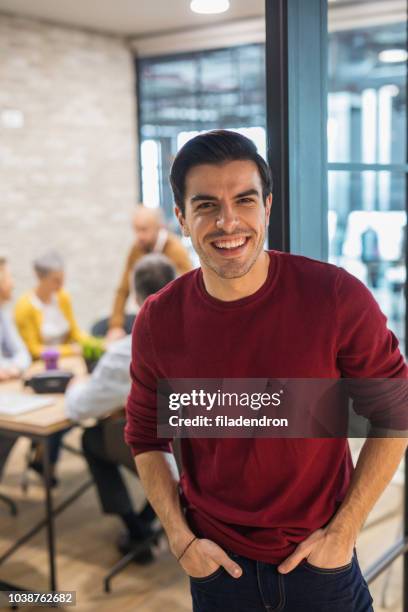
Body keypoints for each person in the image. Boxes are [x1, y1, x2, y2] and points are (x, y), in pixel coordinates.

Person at [124, 130, 408, 611]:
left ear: (268, 206)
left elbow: (394, 414)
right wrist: (180, 539)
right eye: (206, 205)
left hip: (319, 564)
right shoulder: (159, 319)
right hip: (217, 572)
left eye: (244, 200)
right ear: (182, 218)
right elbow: (145, 437)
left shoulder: (333, 297)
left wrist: (345, 530)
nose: (227, 221)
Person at [65, 254, 176, 561]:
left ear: (136, 296)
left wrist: (74, 385)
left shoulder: (127, 350)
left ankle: (136, 527)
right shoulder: (203, 333)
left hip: (160, 447)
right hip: (199, 450)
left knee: (91, 440)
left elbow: (79, 409)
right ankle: (147, 521)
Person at [106, 205, 192, 341]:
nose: (138, 236)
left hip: (172, 319)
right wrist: (115, 326)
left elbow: (189, 291)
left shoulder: (175, 250)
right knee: (100, 328)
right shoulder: (136, 249)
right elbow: (123, 289)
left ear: (159, 227)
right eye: (136, 230)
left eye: (143, 230)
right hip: (145, 313)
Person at [14, 250, 88, 360]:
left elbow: (75, 331)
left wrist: (94, 343)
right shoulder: (25, 307)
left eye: (62, 279)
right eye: (56, 280)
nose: (61, 284)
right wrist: (70, 350)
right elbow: (33, 350)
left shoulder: (62, 297)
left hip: (70, 358)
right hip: (43, 362)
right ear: (40, 278)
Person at [0, 256, 31, 479]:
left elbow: (23, 353)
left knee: (15, 427)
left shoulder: (2, 314)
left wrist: (11, 367)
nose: (12, 283)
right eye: (8, 276)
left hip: (7, 391)